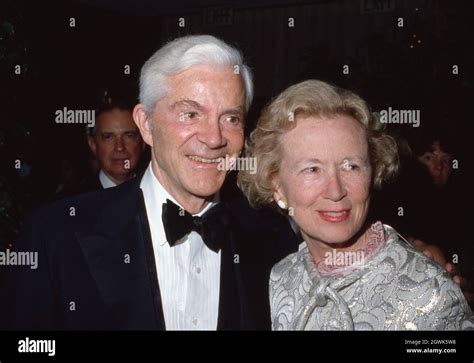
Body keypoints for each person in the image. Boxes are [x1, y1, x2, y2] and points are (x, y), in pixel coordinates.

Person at [0, 35, 296, 330]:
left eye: (231, 118)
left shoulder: (271, 240)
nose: (214, 138)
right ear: (146, 125)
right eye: (190, 114)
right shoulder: (55, 234)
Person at [238, 80, 474, 330]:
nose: (336, 190)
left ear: (373, 172)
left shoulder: (429, 293)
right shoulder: (280, 277)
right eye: (312, 169)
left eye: (351, 166)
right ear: (276, 185)